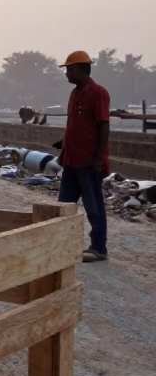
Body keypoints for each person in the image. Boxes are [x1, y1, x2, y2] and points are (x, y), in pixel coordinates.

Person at [57, 51, 110, 263]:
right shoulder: (74, 94)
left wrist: (98, 158)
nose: (67, 73)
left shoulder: (98, 93)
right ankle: (64, 243)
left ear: (81, 69)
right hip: (71, 160)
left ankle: (98, 247)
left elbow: (103, 126)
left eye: (70, 69)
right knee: (64, 205)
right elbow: (71, 126)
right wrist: (63, 152)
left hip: (88, 162)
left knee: (93, 206)